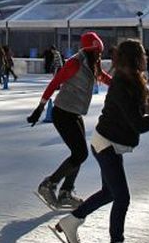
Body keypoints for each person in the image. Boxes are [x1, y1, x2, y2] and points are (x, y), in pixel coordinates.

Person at [49, 39, 149, 243]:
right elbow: (139, 124)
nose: (146, 58)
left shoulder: (132, 80)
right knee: (121, 197)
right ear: (135, 58)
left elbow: (141, 112)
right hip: (106, 144)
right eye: (143, 54)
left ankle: (71, 222)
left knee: (109, 193)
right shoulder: (122, 84)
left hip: (111, 142)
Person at [29, 31, 112, 210]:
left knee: (80, 154)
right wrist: (40, 107)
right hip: (62, 112)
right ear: (90, 50)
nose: (100, 55)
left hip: (74, 113)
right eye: (98, 51)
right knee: (80, 153)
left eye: (100, 51)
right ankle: (49, 184)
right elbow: (55, 82)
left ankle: (66, 192)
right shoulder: (75, 62)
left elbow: (103, 77)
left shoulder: (92, 63)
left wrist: (122, 85)